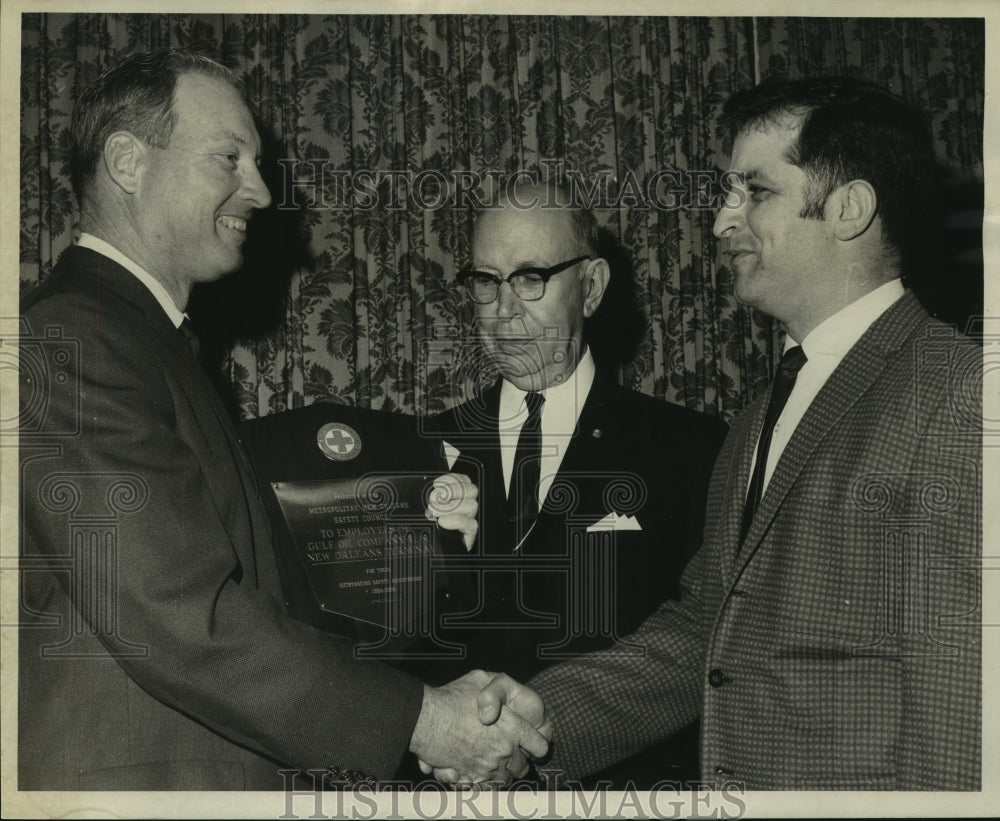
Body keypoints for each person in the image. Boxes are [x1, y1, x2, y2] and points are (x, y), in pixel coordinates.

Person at [17, 49, 548, 791]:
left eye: (257, 162)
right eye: (228, 158)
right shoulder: (75, 334)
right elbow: (178, 613)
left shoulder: (147, 341)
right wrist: (425, 720)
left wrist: (446, 692)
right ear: (128, 162)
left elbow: (268, 604)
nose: (261, 190)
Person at [472, 77, 982, 790]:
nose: (720, 222)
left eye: (755, 192)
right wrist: (536, 716)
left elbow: (965, 704)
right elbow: (706, 633)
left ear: (848, 209)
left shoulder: (961, 391)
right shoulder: (755, 419)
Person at [419, 183, 727, 786]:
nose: (505, 310)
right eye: (486, 281)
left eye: (531, 277)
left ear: (591, 288)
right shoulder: (423, 448)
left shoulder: (691, 447)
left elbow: (707, 641)